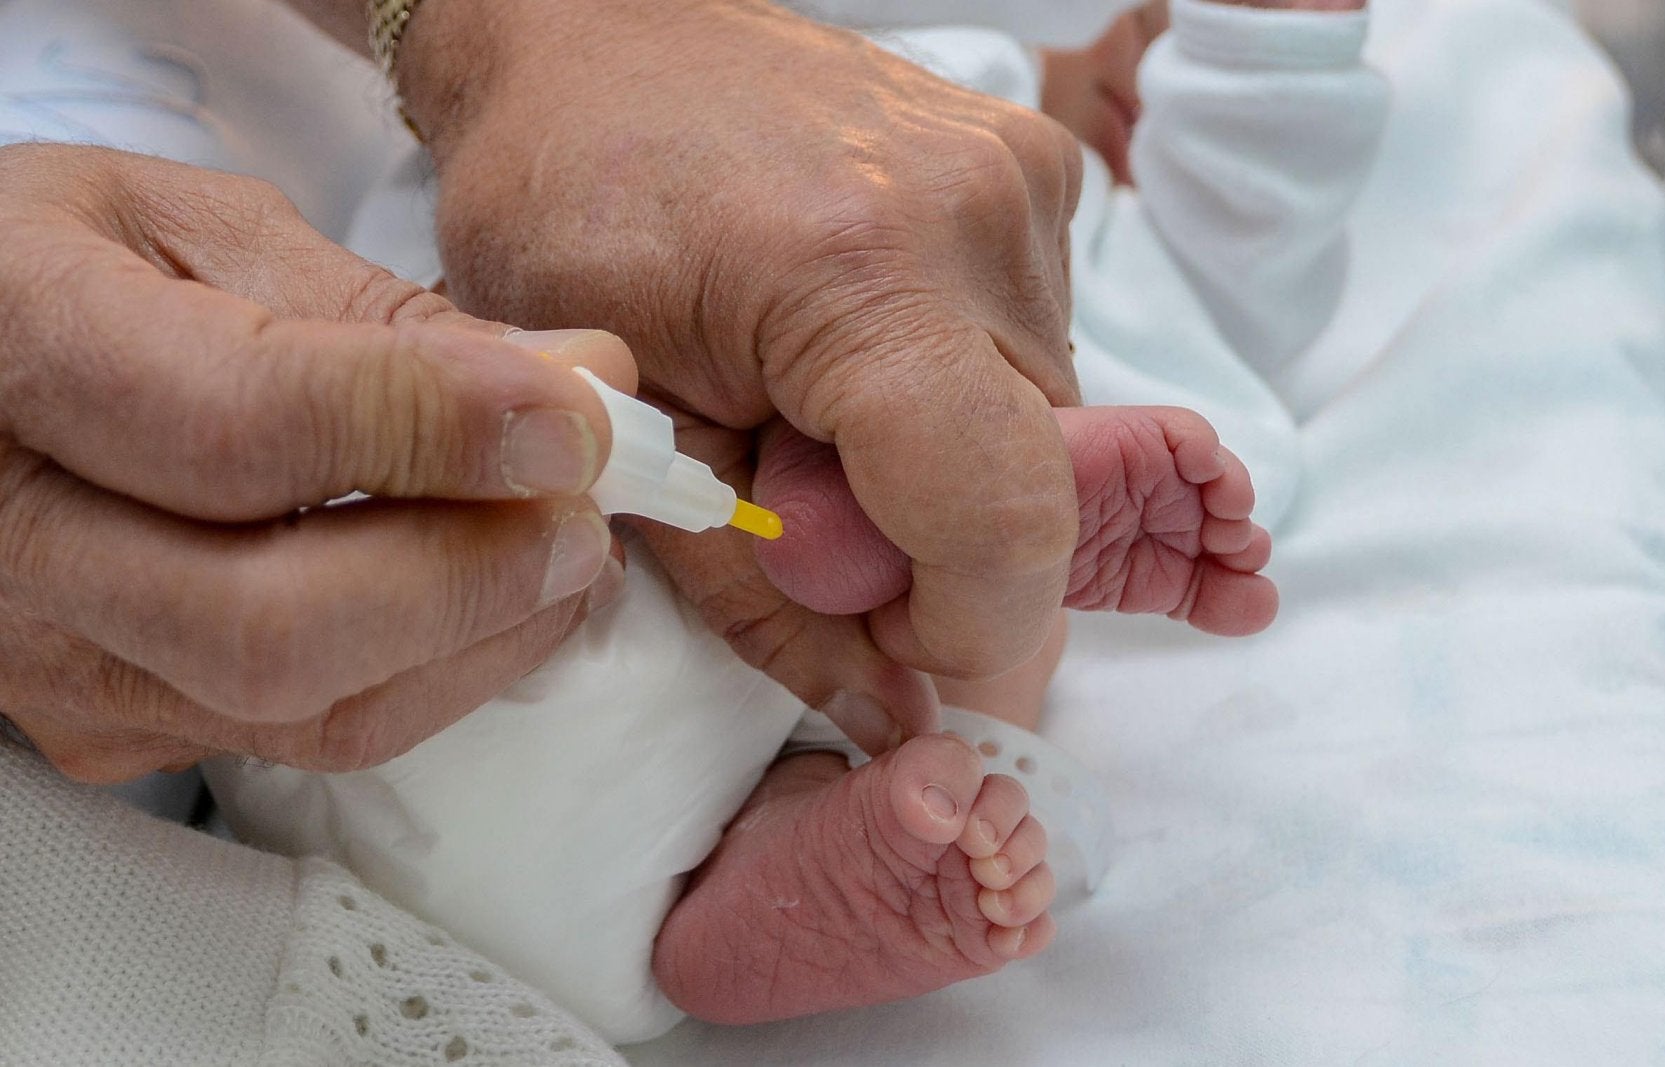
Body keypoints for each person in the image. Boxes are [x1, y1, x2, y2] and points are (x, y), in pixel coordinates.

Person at [209, 0, 1382, 1042]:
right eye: (1164, 29)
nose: (1155, 77)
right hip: (485, 502)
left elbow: (1248, 245)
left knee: (972, 598)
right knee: (968, 604)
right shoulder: (839, 70)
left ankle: (785, 843)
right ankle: (859, 618)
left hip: (354, 651)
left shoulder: (1049, 187)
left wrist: (1268, 37)